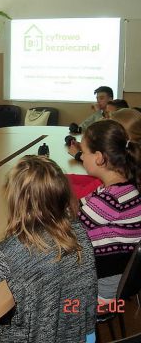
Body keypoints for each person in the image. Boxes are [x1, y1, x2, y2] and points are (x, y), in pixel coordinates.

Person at [0, 155, 97, 343]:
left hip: (35, 339)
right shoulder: (77, 229)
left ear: (17, 202)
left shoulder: (14, 250)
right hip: (83, 336)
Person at [78, 120, 141, 300]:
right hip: (113, 279)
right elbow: (78, 205)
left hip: (103, 294)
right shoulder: (120, 189)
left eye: (83, 152)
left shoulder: (111, 199)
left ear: (99, 157)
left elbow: (70, 223)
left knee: (46, 301)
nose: (81, 157)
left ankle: (83, 328)